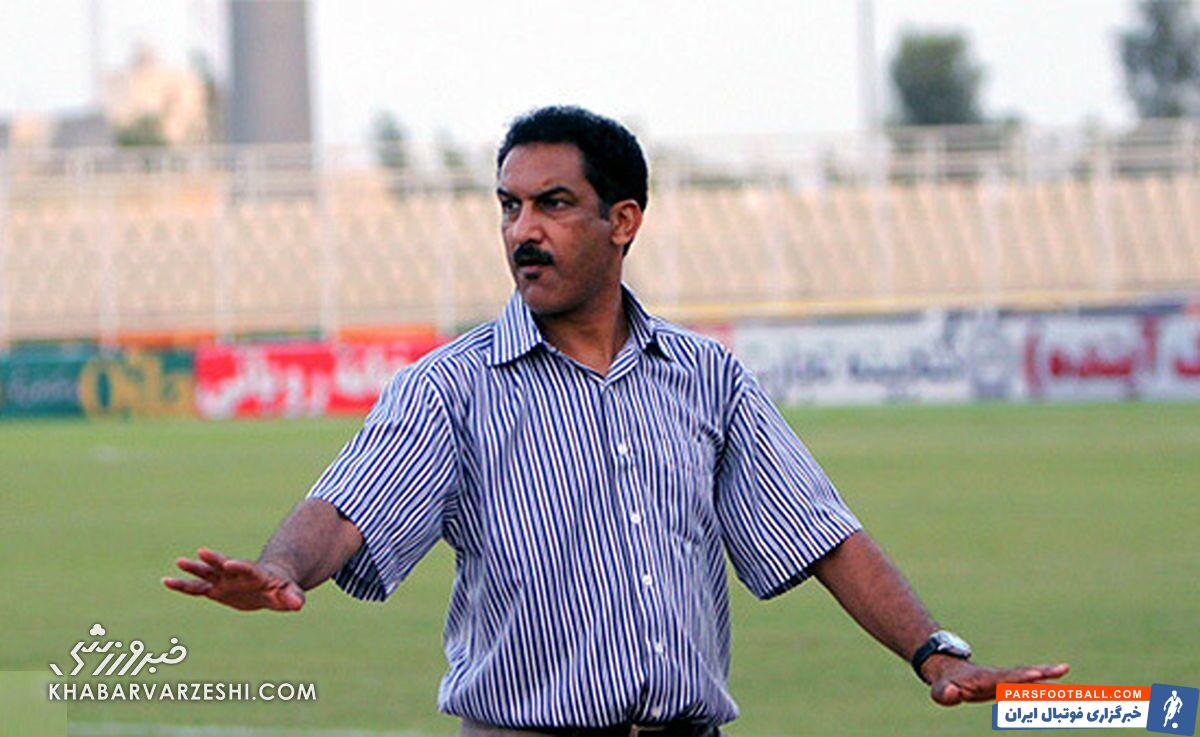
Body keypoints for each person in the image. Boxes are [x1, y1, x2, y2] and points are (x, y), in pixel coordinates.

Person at [164, 106, 1069, 736]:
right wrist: (281, 566)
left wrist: (935, 655)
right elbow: (346, 509)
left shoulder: (706, 377)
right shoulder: (451, 387)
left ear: (623, 220)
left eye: (553, 204)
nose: (523, 230)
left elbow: (824, 534)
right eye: (509, 206)